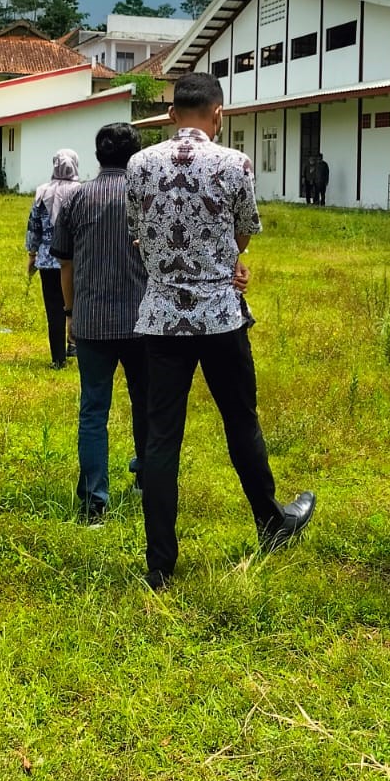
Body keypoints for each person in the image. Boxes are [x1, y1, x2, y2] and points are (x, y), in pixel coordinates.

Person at [126, 71, 316, 590]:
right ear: (218, 114)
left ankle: (160, 563)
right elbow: (243, 233)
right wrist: (225, 261)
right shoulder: (235, 163)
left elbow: (138, 237)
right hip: (219, 317)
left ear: (171, 114)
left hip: (161, 318)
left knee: (161, 438)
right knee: (240, 422)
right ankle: (271, 523)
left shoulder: (139, 164)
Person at [51, 124, 148, 523]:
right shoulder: (145, 196)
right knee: (146, 403)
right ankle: (147, 479)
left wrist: (69, 314)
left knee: (93, 410)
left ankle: (94, 501)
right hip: (142, 321)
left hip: (91, 321)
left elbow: (65, 263)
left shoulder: (76, 198)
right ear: (135, 156)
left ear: (97, 155)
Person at [26, 149, 80, 369]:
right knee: (76, 304)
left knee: (54, 309)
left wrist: (32, 254)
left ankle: (58, 359)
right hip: (76, 259)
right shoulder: (81, 192)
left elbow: (34, 227)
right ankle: (75, 345)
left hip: (48, 261)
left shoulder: (42, 192)